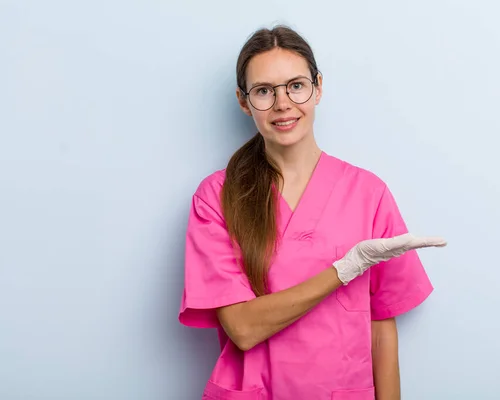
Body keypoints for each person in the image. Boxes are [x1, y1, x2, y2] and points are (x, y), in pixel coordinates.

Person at [179, 25, 447, 400]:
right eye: (263, 92)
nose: (283, 103)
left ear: (318, 87)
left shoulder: (368, 193)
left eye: (296, 85)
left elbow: (382, 329)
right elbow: (242, 328)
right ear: (244, 102)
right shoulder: (217, 197)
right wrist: (343, 270)